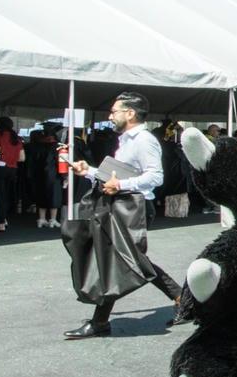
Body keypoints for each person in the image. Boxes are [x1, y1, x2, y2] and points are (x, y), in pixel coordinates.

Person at [66, 91, 184, 339]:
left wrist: (119, 186)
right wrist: (88, 171)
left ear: (130, 113)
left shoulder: (144, 140)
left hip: (134, 207)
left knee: (121, 259)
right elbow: (115, 175)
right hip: (122, 204)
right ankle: (182, 299)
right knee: (127, 259)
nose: (110, 116)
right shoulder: (127, 140)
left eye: (114, 111)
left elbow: (155, 177)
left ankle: (100, 322)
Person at [0, 117, 24, 230]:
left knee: (0, 195)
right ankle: (4, 218)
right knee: (8, 195)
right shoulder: (17, 138)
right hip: (13, 169)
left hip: (1, 168)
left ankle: (1, 222)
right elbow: (22, 158)